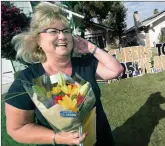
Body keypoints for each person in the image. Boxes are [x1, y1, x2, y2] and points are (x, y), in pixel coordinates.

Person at [5, 2, 124, 146]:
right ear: (38, 40)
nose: (62, 36)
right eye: (53, 31)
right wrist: (56, 137)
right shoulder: (28, 79)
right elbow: (17, 128)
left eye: (66, 31)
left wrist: (92, 48)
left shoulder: (85, 64)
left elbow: (116, 70)